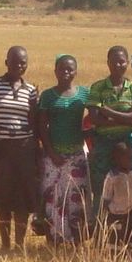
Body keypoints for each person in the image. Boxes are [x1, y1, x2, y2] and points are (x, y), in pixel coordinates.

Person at [0, 46, 42, 252]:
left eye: (23, 63)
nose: (19, 66)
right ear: (6, 62)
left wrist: (35, 152)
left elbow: (33, 123)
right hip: (1, 149)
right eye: (14, 62)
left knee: (22, 198)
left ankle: (19, 244)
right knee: (4, 197)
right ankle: (5, 244)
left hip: (24, 149)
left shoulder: (31, 90)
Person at [86, 46, 132, 240]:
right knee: (101, 189)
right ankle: (99, 236)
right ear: (108, 63)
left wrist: (110, 112)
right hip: (103, 143)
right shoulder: (97, 87)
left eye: (122, 61)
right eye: (114, 61)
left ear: (128, 63)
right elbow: (94, 118)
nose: (118, 65)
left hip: (129, 144)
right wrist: (126, 117)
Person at [36, 54, 91, 244]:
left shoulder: (85, 94)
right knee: (54, 197)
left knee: (76, 198)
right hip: (53, 155)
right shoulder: (48, 96)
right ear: (55, 71)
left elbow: (91, 121)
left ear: (76, 71)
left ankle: (76, 239)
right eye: (61, 69)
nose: (66, 72)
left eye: (70, 69)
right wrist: (51, 152)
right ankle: (54, 239)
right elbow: (42, 127)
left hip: (77, 153)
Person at [99, 140, 132, 244]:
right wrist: (104, 214)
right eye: (127, 158)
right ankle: (117, 253)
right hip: (117, 213)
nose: (131, 161)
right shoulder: (112, 177)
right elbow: (106, 196)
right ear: (117, 159)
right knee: (117, 236)